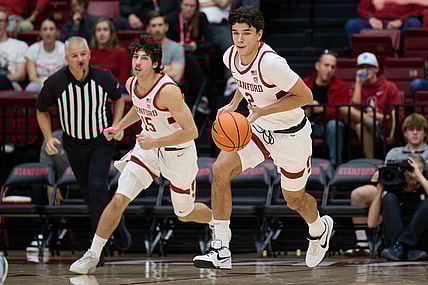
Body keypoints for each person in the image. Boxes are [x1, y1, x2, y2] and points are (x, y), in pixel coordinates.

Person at [192, 6, 334, 270]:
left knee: (294, 200)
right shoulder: (230, 56)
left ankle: (319, 228)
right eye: (235, 33)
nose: (240, 39)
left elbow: (305, 97)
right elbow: (241, 81)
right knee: (220, 170)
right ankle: (221, 247)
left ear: (259, 34)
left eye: (246, 33)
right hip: (257, 128)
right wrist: (235, 104)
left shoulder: (272, 63)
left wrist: (263, 110)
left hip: (291, 135)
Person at [69, 32, 213, 275]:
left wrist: (156, 140)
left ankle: (216, 222)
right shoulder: (131, 83)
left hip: (178, 152)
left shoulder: (169, 91)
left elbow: (192, 132)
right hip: (147, 151)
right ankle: (92, 254)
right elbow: (139, 107)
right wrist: (121, 126)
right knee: (118, 200)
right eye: (135, 56)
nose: (137, 62)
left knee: (185, 213)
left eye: (144, 58)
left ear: (155, 63)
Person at [35, 36, 131, 265]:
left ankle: (95, 250)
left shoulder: (103, 77)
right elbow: (41, 110)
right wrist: (48, 136)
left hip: (101, 140)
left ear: (89, 54)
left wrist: (116, 124)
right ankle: (117, 225)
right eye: (75, 56)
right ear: (66, 58)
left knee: (97, 187)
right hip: (73, 144)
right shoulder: (55, 82)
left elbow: (118, 100)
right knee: (91, 196)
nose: (80, 59)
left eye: (83, 54)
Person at [350, 113, 428, 251]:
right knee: (368, 195)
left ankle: (400, 245)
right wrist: (381, 185)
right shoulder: (394, 152)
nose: (415, 132)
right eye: (411, 129)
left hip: (421, 188)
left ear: (425, 133)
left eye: (419, 129)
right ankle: (363, 243)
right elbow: (388, 177)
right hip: (396, 189)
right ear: (405, 133)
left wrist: (417, 173)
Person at [368, 154, 428, 261]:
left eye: (418, 169)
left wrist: (419, 176)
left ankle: (402, 245)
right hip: (393, 249)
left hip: (419, 247)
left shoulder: (425, 187)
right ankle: (400, 247)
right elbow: (371, 223)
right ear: (403, 171)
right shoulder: (395, 190)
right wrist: (380, 190)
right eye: (409, 169)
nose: (412, 173)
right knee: (389, 198)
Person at [340, 52, 401, 158]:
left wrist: (377, 116)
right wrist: (359, 84)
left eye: (369, 67)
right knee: (346, 111)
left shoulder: (389, 86)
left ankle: (373, 125)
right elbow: (353, 110)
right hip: (365, 125)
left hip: (383, 126)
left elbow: (396, 115)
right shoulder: (355, 87)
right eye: (362, 67)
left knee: (360, 124)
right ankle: (371, 161)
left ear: (376, 69)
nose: (365, 70)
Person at [304, 50, 351, 167]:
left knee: (334, 125)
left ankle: (335, 165)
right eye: (326, 65)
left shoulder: (340, 86)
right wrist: (305, 112)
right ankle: (296, 167)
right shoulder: (305, 84)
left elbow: (341, 113)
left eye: (333, 67)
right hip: (308, 124)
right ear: (317, 66)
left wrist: (321, 109)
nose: (329, 69)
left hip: (328, 126)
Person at [167, 0, 212, 112]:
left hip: (196, 55)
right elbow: (167, 41)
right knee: (186, 57)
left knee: (191, 58)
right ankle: (202, 97)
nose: (189, 8)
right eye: (186, 5)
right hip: (175, 56)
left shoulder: (201, 17)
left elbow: (210, 43)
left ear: (196, 7)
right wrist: (177, 46)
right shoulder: (172, 18)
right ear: (180, 5)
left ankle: (203, 98)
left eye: (192, 6)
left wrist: (196, 45)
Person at [199, 0, 236, 97]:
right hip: (198, 25)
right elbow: (193, 5)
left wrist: (204, 4)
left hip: (219, 26)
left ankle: (232, 79)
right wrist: (215, 3)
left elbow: (223, 3)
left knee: (229, 45)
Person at [345, 0, 423, 46]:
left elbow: (418, 10)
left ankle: (406, 58)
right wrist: (371, 19)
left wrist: (401, 20)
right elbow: (362, 9)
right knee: (352, 24)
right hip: (377, 23)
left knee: (414, 23)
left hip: (401, 23)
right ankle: (359, 58)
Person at [25, 18, 65, 92]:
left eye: (51, 29)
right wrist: (45, 84)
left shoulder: (64, 49)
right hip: (39, 83)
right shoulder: (32, 49)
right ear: (40, 32)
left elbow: (68, 74)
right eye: (45, 29)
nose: (48, 32)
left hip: (60, 83)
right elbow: (32, 77)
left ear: (56, 32)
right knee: (31, 88)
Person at [89, 17, 130, 89]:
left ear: (111, 33)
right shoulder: (89, 53)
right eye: (98, 30)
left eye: (105, 30)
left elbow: (124, 80)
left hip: (116, 91)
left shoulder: (121, 52)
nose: (102, 33)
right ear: (94, 33)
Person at [146, 11, 185, 84]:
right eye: (153, 26)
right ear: (148, 28)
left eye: (160, 25)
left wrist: (150, 69)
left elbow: (177, 76)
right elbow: (135, 73)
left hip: (169, 90)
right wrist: (168, 68)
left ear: (166, 27)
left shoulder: (177, 48)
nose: (157, 29)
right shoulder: (142, 48)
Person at [0, 7, 28, 91]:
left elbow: (21, 75)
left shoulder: (19, 45)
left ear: (7, 24)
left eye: (0, 21)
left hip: (10, 85)